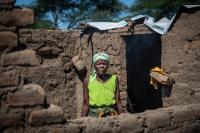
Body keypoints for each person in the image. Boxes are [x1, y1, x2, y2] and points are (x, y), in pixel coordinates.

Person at [81, 52, 123, 117]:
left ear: (107, 66)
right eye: (98, 64)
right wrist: (82, 122)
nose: (101, 66)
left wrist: (122, 118)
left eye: (104, 64)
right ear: (94, 66)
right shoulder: (87, 81)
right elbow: (86, 104)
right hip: (94, 117)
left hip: (111, 115)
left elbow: (119, 102)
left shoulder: (114, 78)